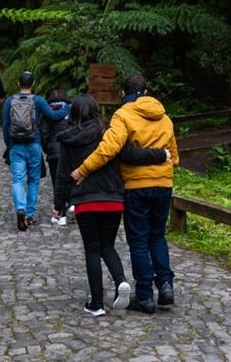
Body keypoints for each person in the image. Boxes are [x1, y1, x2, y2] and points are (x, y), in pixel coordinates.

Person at [71, 74, 179, 314]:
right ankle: (165, 284)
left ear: (123, 94)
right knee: (158, 237)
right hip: (163, 184)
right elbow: (175, 156)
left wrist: (83, 169)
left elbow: (109, 148)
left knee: (139, 241)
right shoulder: (165, 118)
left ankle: (144, 297)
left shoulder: (123, 115)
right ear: (147, 90)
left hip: (136, 187)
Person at [2, 71, 69, 231]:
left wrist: (9, 144)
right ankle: (29, 215)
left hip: (16, 145)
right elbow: (53, 115)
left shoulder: (10, 101)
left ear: (19, 83)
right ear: (33, 84)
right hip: (34, 144)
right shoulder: (38, 100)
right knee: (33, 180)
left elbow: (5, 126)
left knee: (18, 180)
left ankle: (21, 209)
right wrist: (66, 108)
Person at [42, 88, 71, 224]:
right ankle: (72, 203)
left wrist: (47, 149)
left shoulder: (47, 112)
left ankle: (61, 215)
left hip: (54, 153)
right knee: (70, 180)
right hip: (69, 152)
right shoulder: (71, 111)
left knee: (57, 184)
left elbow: (44, 134)